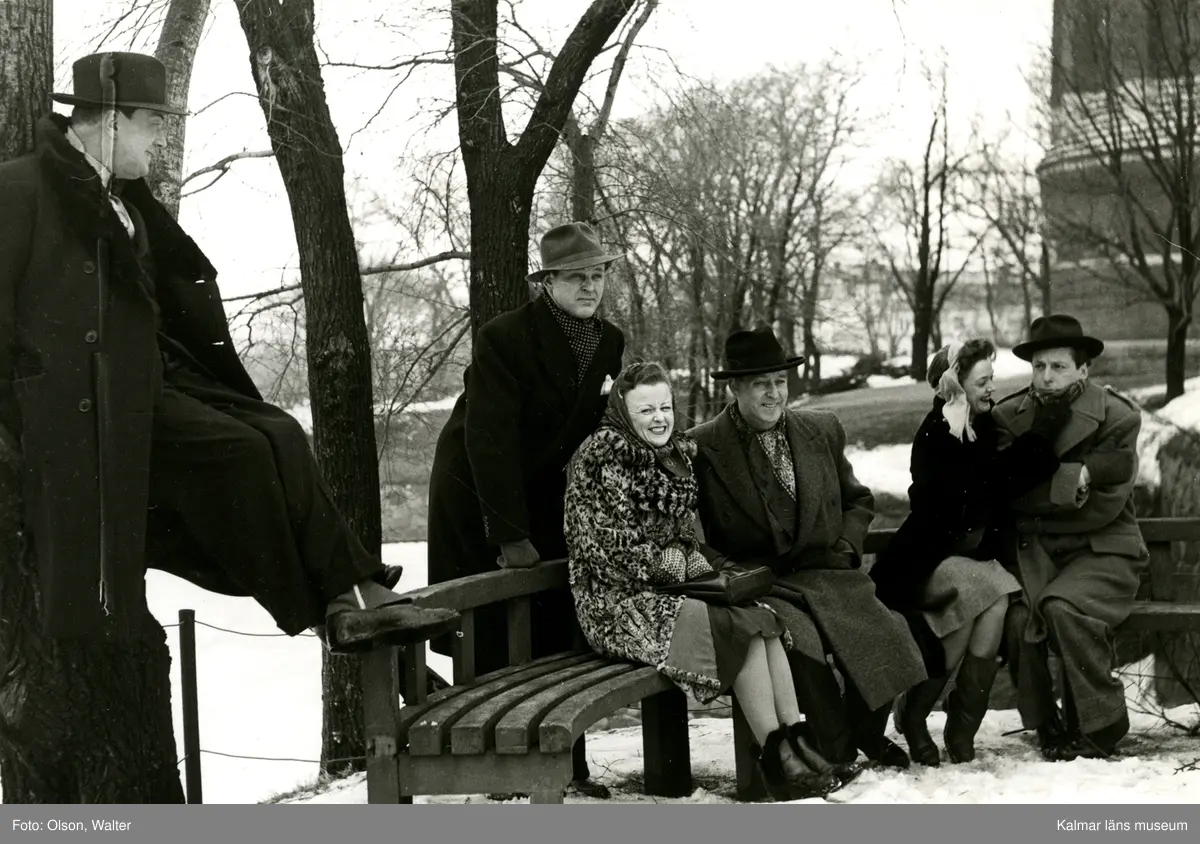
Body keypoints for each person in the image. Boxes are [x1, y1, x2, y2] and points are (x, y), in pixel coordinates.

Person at [0, 52, 453, 654]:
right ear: (111, 120)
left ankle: (355, 591)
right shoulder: (21, 187)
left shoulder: (125, 199)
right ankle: (333, 610)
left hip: (156, 374)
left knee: (282, 431)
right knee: (244, 452)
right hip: (91, 403)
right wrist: (28, 407)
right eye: (152, 123)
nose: (159, 140)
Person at [565, 361, 856, 801]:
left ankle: (798, 744)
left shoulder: (672, 455)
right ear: (623, 411)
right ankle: (779, 760)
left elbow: (683, 536)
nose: (659, 418)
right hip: (616, 604)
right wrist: (674, 565)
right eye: (646, 410)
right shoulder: (600, 458)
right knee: (737, 630)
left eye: (665, 407)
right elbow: (604, 551)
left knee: (762, 620)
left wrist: (695, 563)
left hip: (666, 591)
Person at [425, 220, 625, 798]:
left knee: (556, 618)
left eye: (597, 275)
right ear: (547, 283)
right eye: (575, 277)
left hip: (545, 489)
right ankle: (501, 772)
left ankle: (566, 766)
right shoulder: (505, 337)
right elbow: (488, 440)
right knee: (491, 628)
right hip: (479, 492)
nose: (589, 287)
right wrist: (508, 533)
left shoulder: (609, 341)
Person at [688, 327, 928, 771]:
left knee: (889, 633)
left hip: (828, 571)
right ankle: (834, 752)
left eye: (780, 381)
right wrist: (734, 574)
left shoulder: (821, 429)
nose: (774, 393)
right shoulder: (701, 446)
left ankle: (864, 733)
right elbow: (694, 536)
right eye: (760, 384)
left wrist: (847, 547)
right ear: (734, 387)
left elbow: (858, 500)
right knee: (805, 646)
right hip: (764, 582)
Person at [868, 338, 1074, 766]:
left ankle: (962, 724)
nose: (991, 388)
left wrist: (1037, 437)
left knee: (993, 602)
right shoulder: (937, 433)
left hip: (969, 562)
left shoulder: (983, 427)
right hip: (923, 562)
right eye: (982, 382)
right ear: (954, 386)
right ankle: (917, 716)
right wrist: (1041, 436)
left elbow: (1005, 478)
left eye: (991, 379)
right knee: (983, 596)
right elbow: (981, 490)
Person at [992, 315, 1150, 761]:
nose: (1046, 377)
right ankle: (1046, 722)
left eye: (1058, 367)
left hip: (1103, 552)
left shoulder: (1117, 415)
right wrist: (1074, 479)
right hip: (1036, 553)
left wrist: (1037, 497)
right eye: (1039, 366)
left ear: (1084, 369)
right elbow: (1006, 492)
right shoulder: (1007, 416)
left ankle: (1103, 721)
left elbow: (1104, 506)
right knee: (1018, 618)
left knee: (1062, 607)